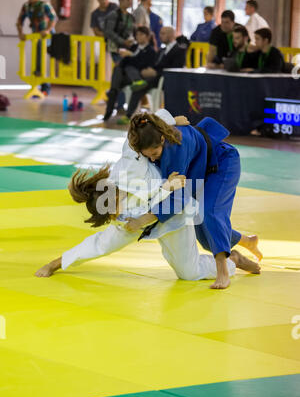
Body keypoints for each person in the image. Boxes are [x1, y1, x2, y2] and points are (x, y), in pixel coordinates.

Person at [35, 111, 260, 284]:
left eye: (115, 208)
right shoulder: (124, 221)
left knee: (192, 264)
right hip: (160, 212)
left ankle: (228, 262)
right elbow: (99, 245)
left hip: (176, 212)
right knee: (196, 250)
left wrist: (172, 121)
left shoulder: (131, 161)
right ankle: (236, 255)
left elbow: (148, 121)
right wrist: (55, 264)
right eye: (114, 215)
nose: (119, 214)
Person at [127, 112, 263, 289]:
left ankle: (223, 271)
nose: (152, 159)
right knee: (205, 238)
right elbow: (149, 118)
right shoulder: (149, 135)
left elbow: (178, 198)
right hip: (198, 170)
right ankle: (244, 245)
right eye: (148, 156)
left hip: (222, 164)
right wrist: (173, 121)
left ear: (162, 140)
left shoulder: (175, 146)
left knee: (208, 212)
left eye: (154, 153)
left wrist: (143, 219)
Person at [117, 26, 187, 123]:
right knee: (135, 83)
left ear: (171, 35)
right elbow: (155, 64)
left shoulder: (179, 50)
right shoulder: (161, 50)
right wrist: (148, 70)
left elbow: (175, 69)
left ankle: (129, 115)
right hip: (153, 77)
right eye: (160, 33)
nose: (160, 35)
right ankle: (130, 113)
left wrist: (156, 72)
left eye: (163, 33)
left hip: (164, 79)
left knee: (140, 86)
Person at [103, 26, 156, 122]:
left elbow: (142, 66)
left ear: (147, 36)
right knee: (118, 69)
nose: (138, 36)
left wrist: (131, 55)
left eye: (141, 34)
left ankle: (135, 82)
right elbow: (125, 62)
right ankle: (108, 110)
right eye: (137, 34)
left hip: (139, 75)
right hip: (127, 76)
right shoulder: (133, 47)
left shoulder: (151, 51)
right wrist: (126, 57)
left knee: (129, 68)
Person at [16, 0, 57, 96]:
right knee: (37, 59)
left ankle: (45, 87)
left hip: (47, 36)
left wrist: (47, 30)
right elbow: (19, 21)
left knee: (41, 57)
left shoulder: (44, 5)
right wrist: (20, 33)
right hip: (36, 36)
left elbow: (53, 18)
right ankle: (39, 86)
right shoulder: (26, 6)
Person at [103, 0, 135, 64]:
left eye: (131, 0)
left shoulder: (131, 17)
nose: (130, 2)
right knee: (120, 66)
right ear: (120, 0)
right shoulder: (113, 15)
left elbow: (132, 31)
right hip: (115, 47)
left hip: (127, 46)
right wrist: (122, 41)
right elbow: (109, 31)